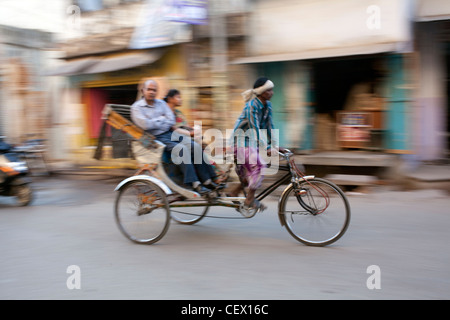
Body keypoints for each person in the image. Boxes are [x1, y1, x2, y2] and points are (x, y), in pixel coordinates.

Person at [131, 80, 217, 193]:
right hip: (155, 138)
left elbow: (171, 120)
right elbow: (146, 125)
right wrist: (162, 119)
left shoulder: (161, 103)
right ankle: (195, 184)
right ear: (143, 90)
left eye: (154, 90)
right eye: (149, 89)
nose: (151, 92)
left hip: (170, 133)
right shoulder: (137, 107)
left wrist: (156, 122)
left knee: (194, 146)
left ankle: (207, 180)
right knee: (181, 149)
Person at [230, 77, 286, 211]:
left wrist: (275, 145)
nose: (272, 93)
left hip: (251, 142)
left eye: (272, 90)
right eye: (269, 90)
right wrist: (266, 147)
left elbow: (269, 127)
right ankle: (249, 199)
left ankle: (234, 192)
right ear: (261, 92)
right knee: (259, 167)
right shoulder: (251, 106)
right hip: (240, 141)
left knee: (250, 172)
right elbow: (255, 128)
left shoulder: (268, 106)